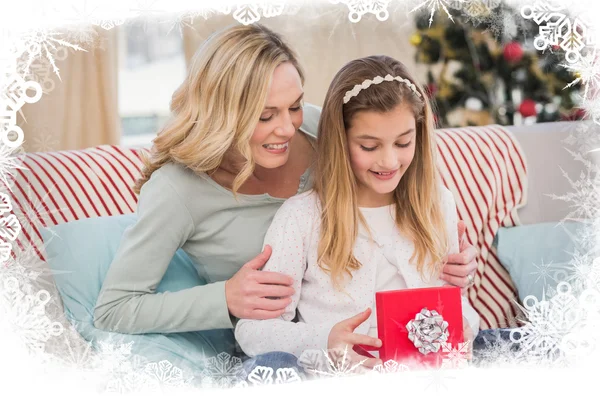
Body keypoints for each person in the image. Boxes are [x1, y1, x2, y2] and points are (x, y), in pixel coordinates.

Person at [93, 24, 478, 366]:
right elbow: (115, 309)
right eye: (265, 116)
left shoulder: (318, 129)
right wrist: (224, 298)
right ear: (221, 113)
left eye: (293, 106)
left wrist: (453, 261)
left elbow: (395, 163)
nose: (287, 128)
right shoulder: (177, 190)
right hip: (278, 350)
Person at [234, 55, 480, 370]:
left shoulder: (437, 204)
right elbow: (252, 331)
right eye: (369, 147)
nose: (389, 162)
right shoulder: (301, 218)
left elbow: (458, 307)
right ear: (340, 141)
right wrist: (326, 340)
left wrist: (465, 329)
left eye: (403, 142)